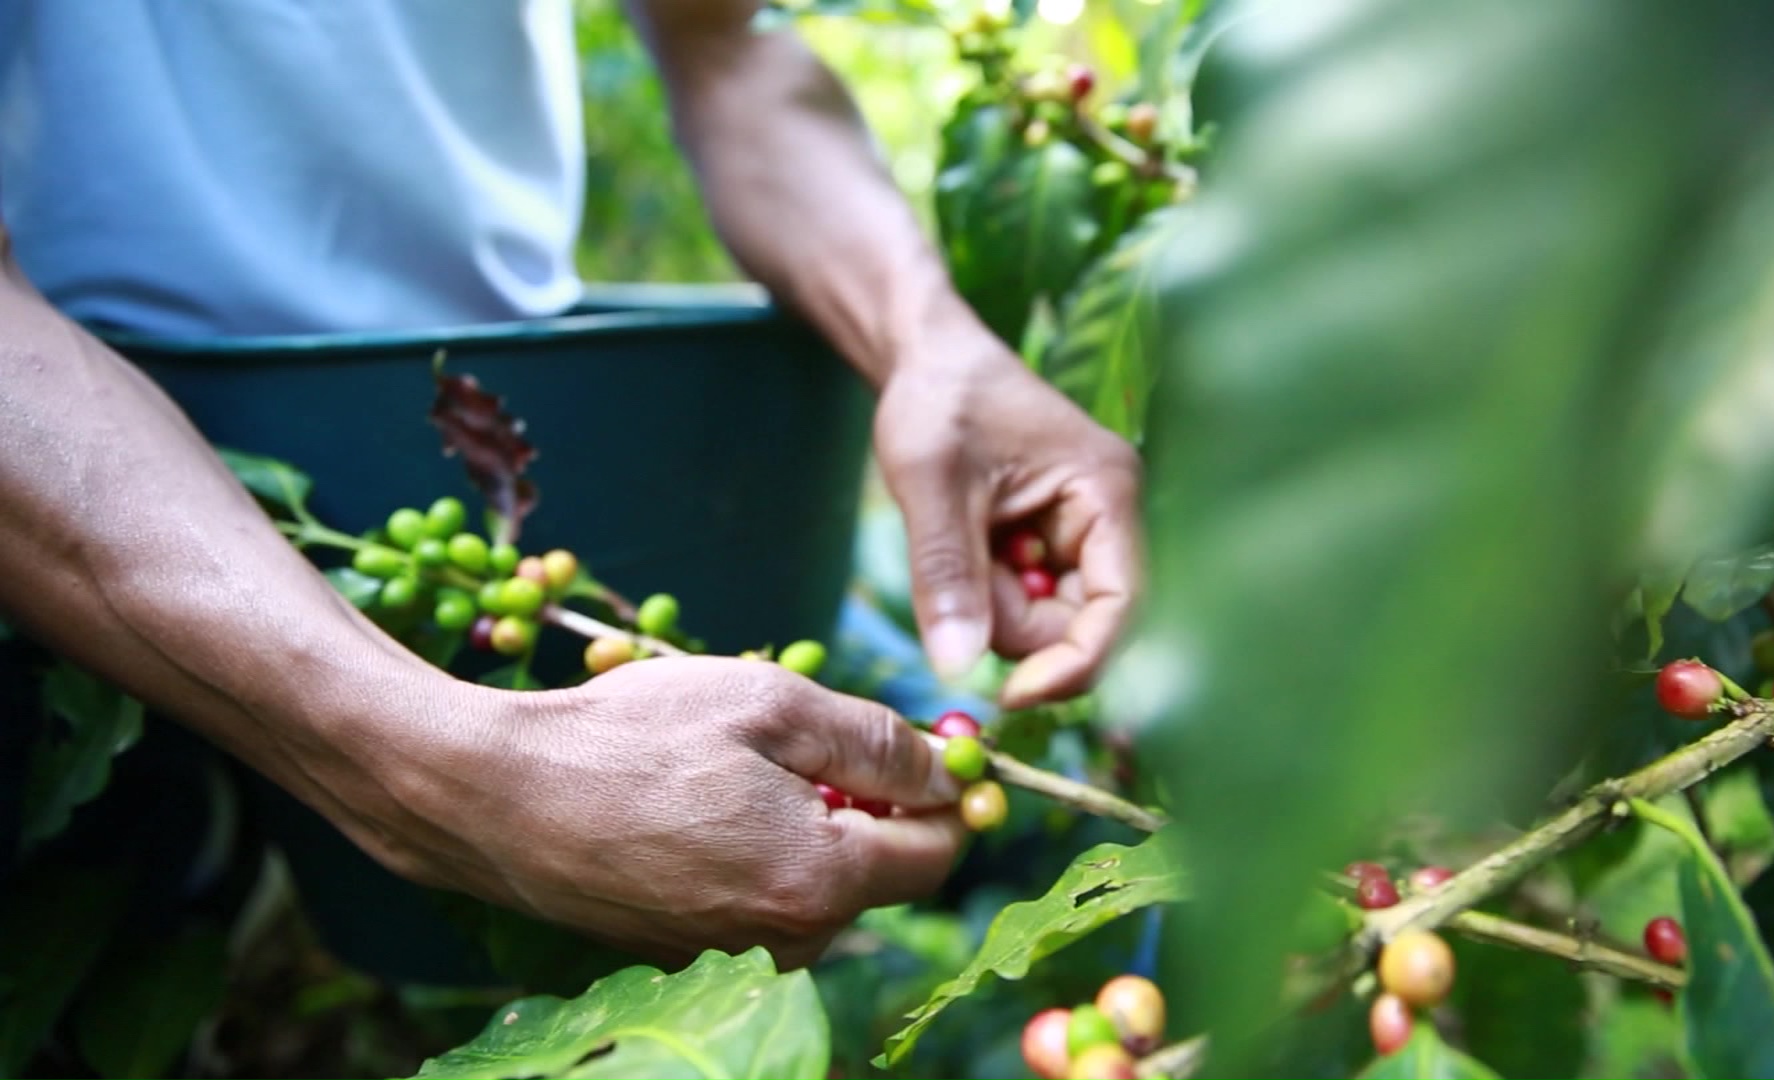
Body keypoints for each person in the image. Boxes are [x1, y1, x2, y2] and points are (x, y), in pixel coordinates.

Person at [0, 1, 1141, 970]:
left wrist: (929, 335)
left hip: (507, 432)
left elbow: (727, 46)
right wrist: (432, 769)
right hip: (87, 524)